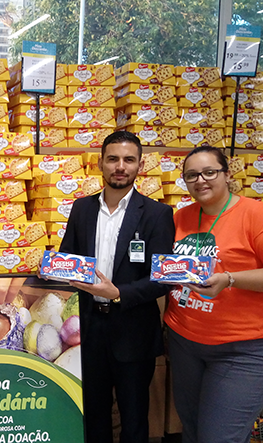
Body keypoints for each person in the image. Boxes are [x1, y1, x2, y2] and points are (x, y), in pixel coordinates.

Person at [164, 146, 263, 443]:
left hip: (244, 349)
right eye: (191, 175)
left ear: (227, 174)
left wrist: (230, 279)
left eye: (209, 172)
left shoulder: (258, 215)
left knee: (219, 437)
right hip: (185, 342)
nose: (200, 180)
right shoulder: (181, 217)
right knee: (192, 431)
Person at [55, 130, 175, 443]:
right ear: (100, 163)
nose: (120, 166)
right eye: (113, 159)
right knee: (93, 414)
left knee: (134, 417)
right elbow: (69, 257)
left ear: (140, 165)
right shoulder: (82, 209)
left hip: (133, 329)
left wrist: (119, 293)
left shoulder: (157, 214)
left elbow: (163, 278)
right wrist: (57, 268)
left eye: (128, 160)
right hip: (87, 327)